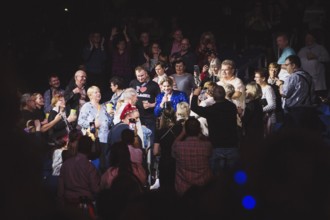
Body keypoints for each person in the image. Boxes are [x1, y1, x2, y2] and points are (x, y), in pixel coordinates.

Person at [190, 85, 239, 174]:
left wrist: (195, 95)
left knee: (217, 179)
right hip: (232, 146)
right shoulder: (232, 107)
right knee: (232, 179)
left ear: (213, 97)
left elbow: (194, 107)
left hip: (217, 147)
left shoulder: (211, 110)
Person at [279, 54, 322, 132]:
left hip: (295, 112)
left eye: (287, 65)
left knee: (294, 136)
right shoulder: (308, 76)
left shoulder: (292, 77)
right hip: (309, 111)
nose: (285, 67)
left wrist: (280, 85)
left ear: (293, 65)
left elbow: (284, 93)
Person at [172, 117, 213, 195]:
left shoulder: (178, 146)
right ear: (199, 130)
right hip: (203, 188)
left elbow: (173, 147)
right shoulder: (207, 145)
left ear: (185, 130)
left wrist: (182, 133)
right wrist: (201, 134)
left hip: (183, 189)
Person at [57, 136, 100, 209]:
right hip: (85, 205)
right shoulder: (90, 167)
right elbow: (95, 189)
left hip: (68, 204)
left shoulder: (66, 164)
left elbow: (60, 189)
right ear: (90, 149)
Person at [78, 86, 112, 173]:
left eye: (99, 91)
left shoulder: (104, 107)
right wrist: (93, 125)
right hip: (94, 139)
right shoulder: (86, 106)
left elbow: (108, 123)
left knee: (104, 164)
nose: (99, 93)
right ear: (90, 95)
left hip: (105, 139)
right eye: (96, 92)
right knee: (95, 164)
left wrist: (111, 115)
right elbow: (80, 121)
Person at [153, 105, 183, 193]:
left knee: (165, 188)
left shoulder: (159, 131)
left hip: (165, 161)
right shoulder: (180, 129)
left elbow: (155, 152)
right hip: (178, 161)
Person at [298, 30, 330, 97]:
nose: (308, 39)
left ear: (314, 38)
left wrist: (317, 57)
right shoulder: (302, 50)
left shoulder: (320, 48)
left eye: (310, 37)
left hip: (318, 83)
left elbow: (327, 59)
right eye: (306, 38)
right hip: (307, 83)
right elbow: (297, 62)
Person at [82, 30, 107, 95]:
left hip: (100, 72)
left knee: (100, 89)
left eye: (98, 36)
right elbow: (85, 58)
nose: (97, 38)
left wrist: (101, 46)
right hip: (90, 72)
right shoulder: (87, 47)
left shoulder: (102, 47)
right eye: (95, 36)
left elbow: (104, 59)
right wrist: (91, 47)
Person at [254, 69, 277, 136]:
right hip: (263, 120)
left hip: (269, 120)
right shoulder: (258, 88)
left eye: (257, 77)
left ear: (263, 78)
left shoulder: (268, 89)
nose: (254, 79)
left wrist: (258, 110)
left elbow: (272, 105)